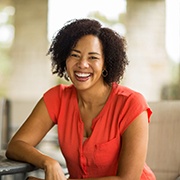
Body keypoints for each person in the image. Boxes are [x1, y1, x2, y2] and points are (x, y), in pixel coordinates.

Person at [6, 18, 156, 180]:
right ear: (65, 58)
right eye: (75, 55)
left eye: (93, 57)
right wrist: (48, 162)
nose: (82, 64)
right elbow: (16, 145)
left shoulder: (131, 103)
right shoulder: (57, 98)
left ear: (105, 64)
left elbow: (128, 179)